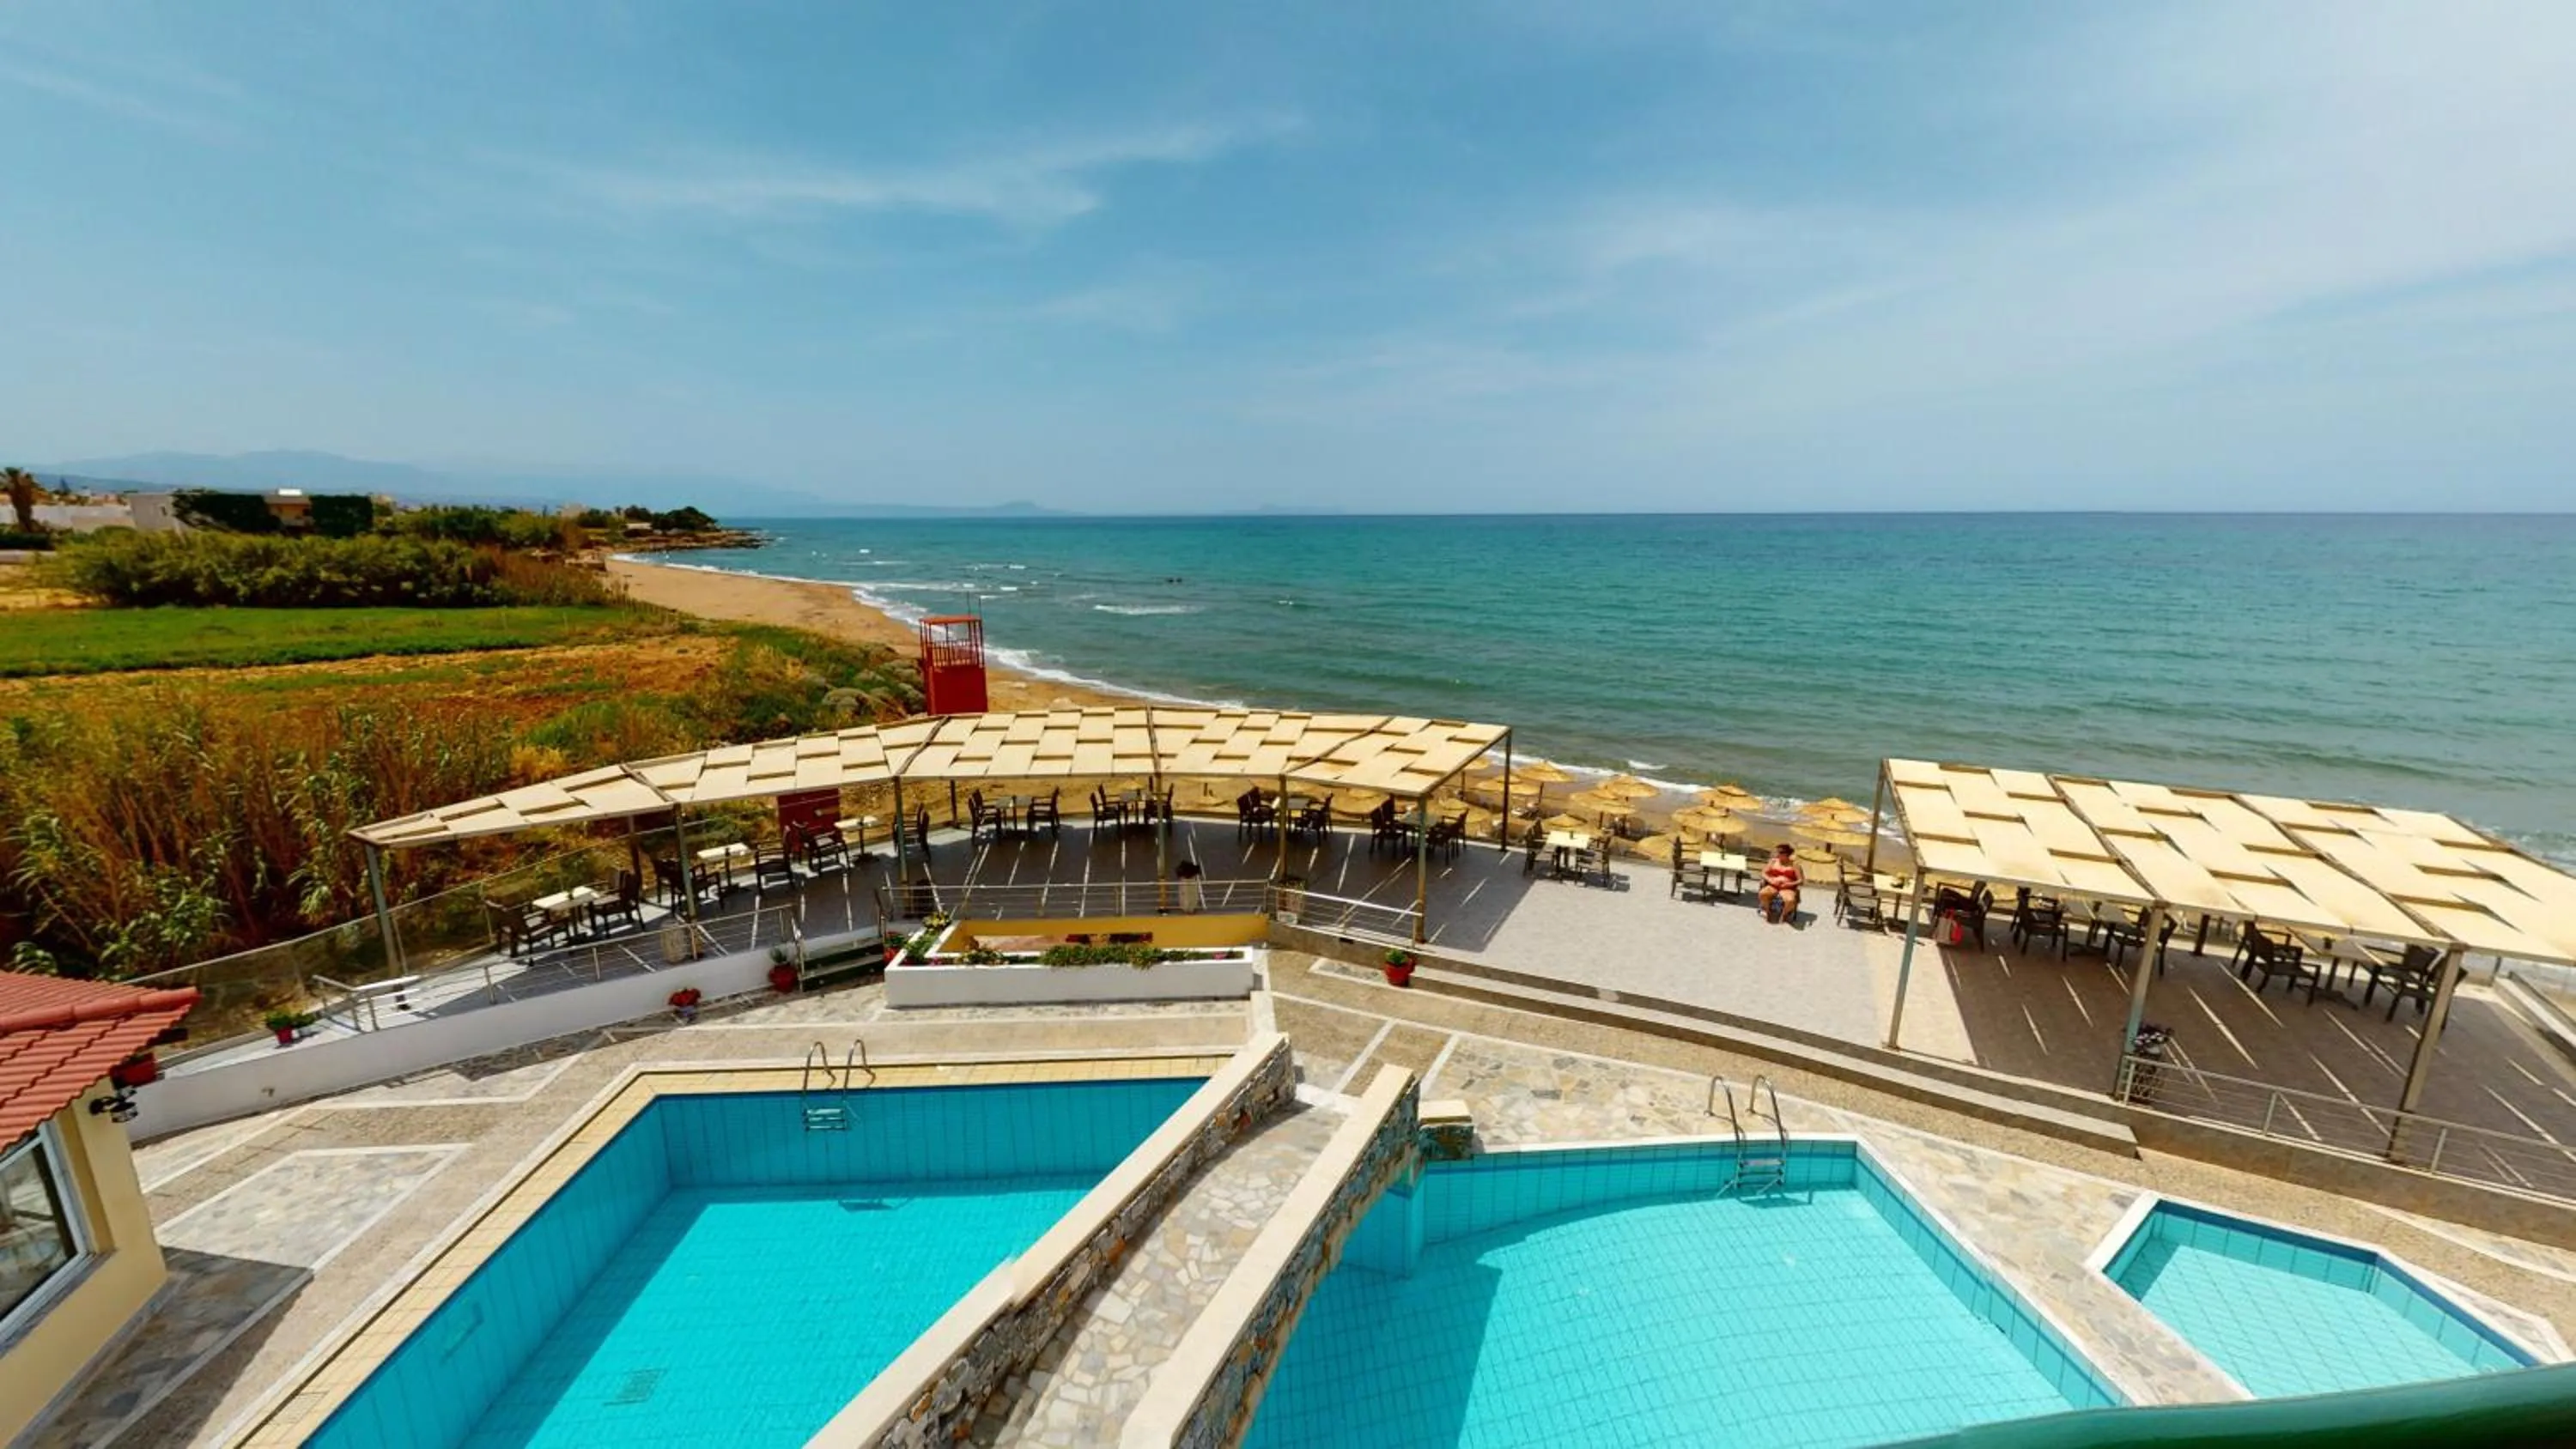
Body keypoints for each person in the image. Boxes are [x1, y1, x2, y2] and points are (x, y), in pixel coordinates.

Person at [1758, 843, 1803, 925]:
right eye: (1778, 852)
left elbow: (1800, 880)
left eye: (1781, 852)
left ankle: (1784, 914)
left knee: (1790, 900)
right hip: (1773, 885)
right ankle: (1768, 911)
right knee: (1762, 894)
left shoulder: (1794, 865)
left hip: (1787, 888)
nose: (1778, 854)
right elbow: (1763, 873)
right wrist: (1770, 880)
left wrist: (1789, 884)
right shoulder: (1773, 862)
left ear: (1787, 854)